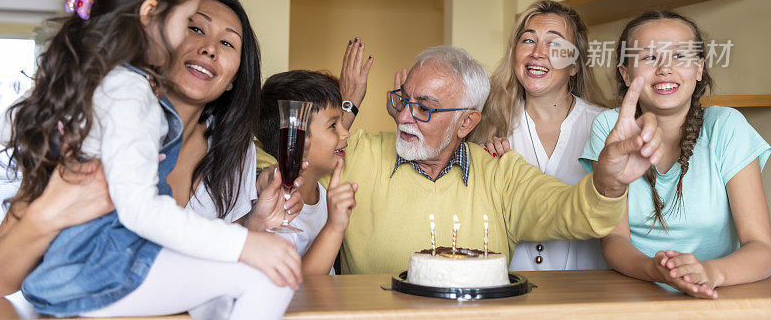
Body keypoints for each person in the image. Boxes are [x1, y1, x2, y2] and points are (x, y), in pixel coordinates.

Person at [0, 0, 299, 319]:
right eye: (191, 23)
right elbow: (140, 211)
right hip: (103, 274)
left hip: (67, 278)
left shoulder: (97, 84)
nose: (207, 49)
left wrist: (252, 230)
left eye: (226, 43)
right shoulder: (129, 93)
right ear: (151, 15)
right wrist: (247, 246)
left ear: (236, 77)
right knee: (268, 279)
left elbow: (9, 126)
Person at [258, 41, 666, 275]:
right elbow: (276, 155)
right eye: (403, 100)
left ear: (468, 121)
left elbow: (571, 212)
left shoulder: (500, 173)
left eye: (425, 108)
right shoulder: (357, 154)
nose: (402, 116)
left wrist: (609, 182)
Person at [580, 10, 771, 299]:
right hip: (635, 294)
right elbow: (614, 240)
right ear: (625, 72)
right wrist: (653, 270)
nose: (665, 68)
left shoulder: (727, 126)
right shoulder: (609, 127)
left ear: (699, 68)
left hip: (719, 296)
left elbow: (761, 247)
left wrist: (708, 273)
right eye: (649, 57)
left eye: (679, 56)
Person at [471, 0, 609, 270]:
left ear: (574, 65)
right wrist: (483, 163)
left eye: (555, 44)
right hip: (511, 293)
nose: (537, 53)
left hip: (588, 296)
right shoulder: (486, 126)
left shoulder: (604, 126)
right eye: (528, 41)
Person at [256, 70, 358, 275]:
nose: (346, 132)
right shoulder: (274, 206)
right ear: (296, 139)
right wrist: (334, 227)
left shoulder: (323, 194)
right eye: (333, 125)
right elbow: (298, 289)